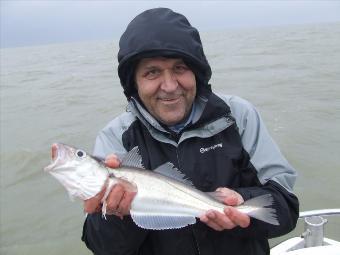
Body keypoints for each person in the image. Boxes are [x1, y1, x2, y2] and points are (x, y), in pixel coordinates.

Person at [81, 7, 299, 255]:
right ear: (134, 82)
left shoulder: (238, 116)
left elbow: (285, 209)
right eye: (152, 72)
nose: (170, 86)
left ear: (196, 72)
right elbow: (102, 246)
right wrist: (120, 213)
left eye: (180, 68)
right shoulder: (115, 138)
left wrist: (241, 203)